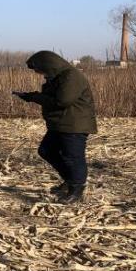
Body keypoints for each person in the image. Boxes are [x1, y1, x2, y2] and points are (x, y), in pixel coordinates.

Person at [14, 51, 97, 203]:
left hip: (74, 124)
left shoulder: (71, 76)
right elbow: (51, 97)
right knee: (46, 151)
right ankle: (70, 180)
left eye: (39, 69)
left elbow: (62, 101)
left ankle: (76, 189)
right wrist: (31, 96)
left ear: (48, 65)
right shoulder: (55, 77)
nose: (38, 73)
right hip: (60, 123)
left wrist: (33, 97)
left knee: (73, 157)